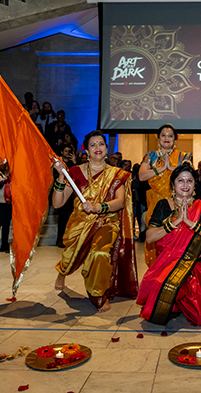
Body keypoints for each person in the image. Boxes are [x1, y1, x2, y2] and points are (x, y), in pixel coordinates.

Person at [53, 130, 138, 312]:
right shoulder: (74, 172)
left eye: (101, 144)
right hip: (80, 223)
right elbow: (58, 203)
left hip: (107, 222)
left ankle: (98, 294)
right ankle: (62, 272)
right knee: (69, 258)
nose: (97, 147)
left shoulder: (117, 174)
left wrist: (99, 207)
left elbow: (120, 202)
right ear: (86, 151)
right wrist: (61, 175)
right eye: (93, 145)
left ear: (107, 149)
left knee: (99, 254)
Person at [137, 164, 201, 326]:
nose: (185, 184)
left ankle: (179, 302)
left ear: (195, 185)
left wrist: (191, 223)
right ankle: (176, 303)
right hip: (168, 265)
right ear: (173, 185)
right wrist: (175, 222)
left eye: (189, 181)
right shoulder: (163, 205)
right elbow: (150, 237)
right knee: (162, 294)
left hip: (195, 267)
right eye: (180, 180)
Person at [139, 124, 192, 267]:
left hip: (177, 203)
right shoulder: (151, 156)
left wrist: (172, 169)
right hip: (155, 204)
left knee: (177, 238)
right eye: (163, 135)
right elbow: (142, 176)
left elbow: (189, 174)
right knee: (155, 237)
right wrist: (161, 169)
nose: (167, 138)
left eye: (170, 135)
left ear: (175, 139)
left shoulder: (184, 156)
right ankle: (155, 273)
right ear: (158, 138)